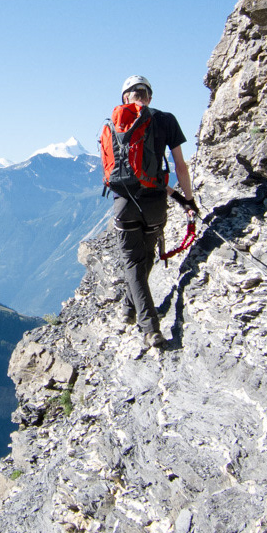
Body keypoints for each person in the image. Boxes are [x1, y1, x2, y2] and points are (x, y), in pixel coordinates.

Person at [109, 74, 197, 349]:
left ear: (126, 98)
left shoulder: (115, 124)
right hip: (155, 203)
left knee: (134, 263)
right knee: (146, 257)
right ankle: (133, 313)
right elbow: (178, 167)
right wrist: (187, 200)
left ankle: (145, 324)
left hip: (124, 203)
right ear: (149, 96)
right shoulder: (166, 119)